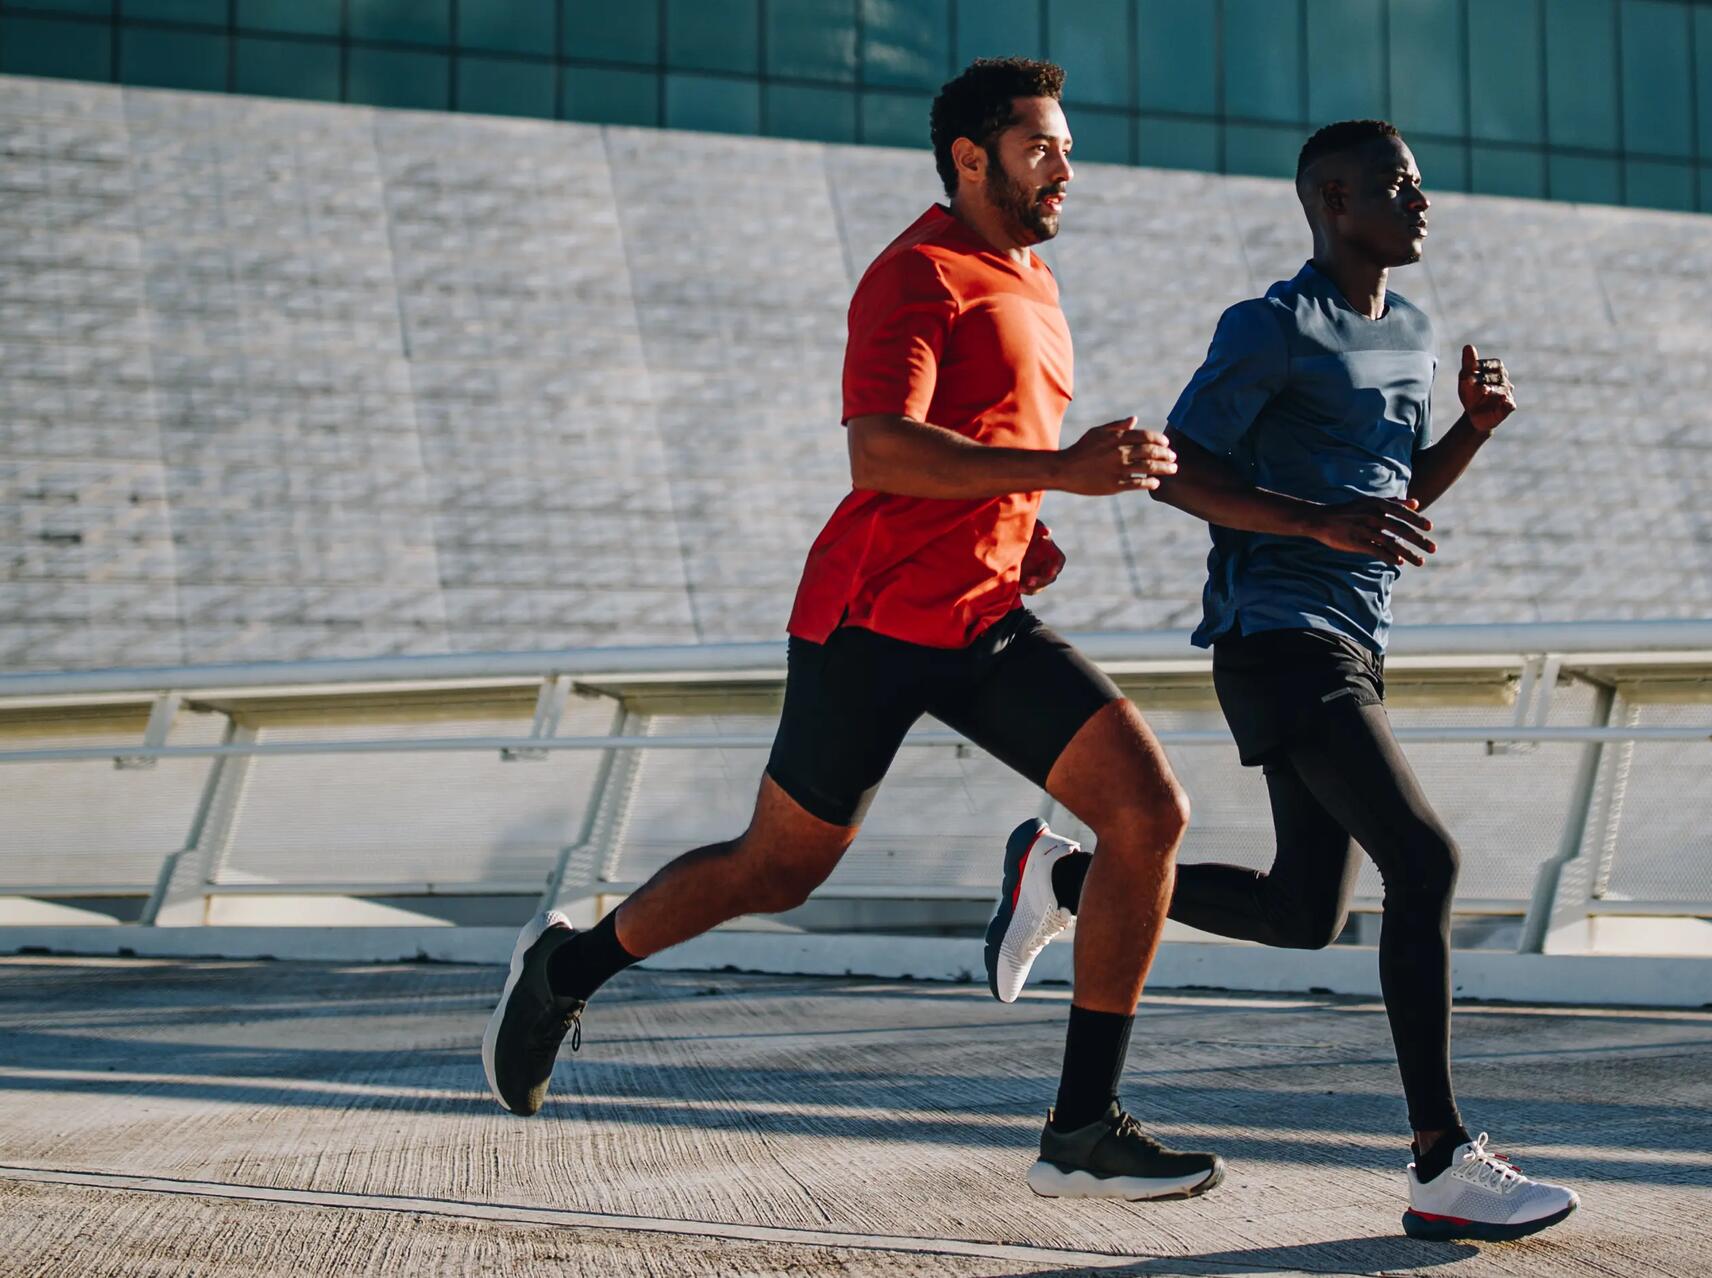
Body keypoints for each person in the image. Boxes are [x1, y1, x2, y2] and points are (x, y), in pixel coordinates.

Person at [484, 57, 1224, 1203]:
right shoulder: (914, 273)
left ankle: (1081, 1127)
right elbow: (879, 449)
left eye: (1068, 147)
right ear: (971, 157)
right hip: (871, 623)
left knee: (1147, 813)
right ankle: (565, 969)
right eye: (1042, 148)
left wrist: (1027, 528)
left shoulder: (1030, 277)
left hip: (983, 616)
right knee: (775, 871)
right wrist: (1065, 474)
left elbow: (982, 449)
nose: (1066, 167)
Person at [980, 119, 1579, 1240]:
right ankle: (1441, 1162)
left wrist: (1473, 433)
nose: (1424, 201)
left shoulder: (1410, 327)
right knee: (1426, 859)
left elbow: (1387, 513)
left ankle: (1064, 883)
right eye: (1400, 186)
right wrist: (1312, 521)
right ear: (1335, 202)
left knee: (1305, 914)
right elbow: (1179, 472)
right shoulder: (1271, 326)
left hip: (1352, 638)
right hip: (1276, 639)